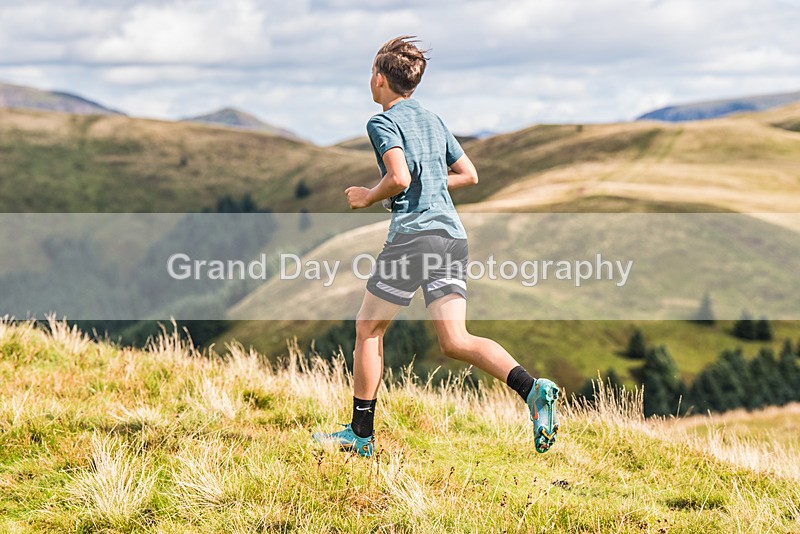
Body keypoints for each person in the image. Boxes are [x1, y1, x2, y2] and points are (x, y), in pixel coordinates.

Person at [312, 36, 559, 457]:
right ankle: (532, 389)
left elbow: (400, 178)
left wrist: (368, 196)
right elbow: (469, 174)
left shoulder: (382, 122)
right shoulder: (432, 119)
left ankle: (360, 434)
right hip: (451, 238)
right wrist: (425, 185)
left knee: (368, 328)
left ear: (379, 79)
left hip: (413, 239)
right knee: (456, 340)